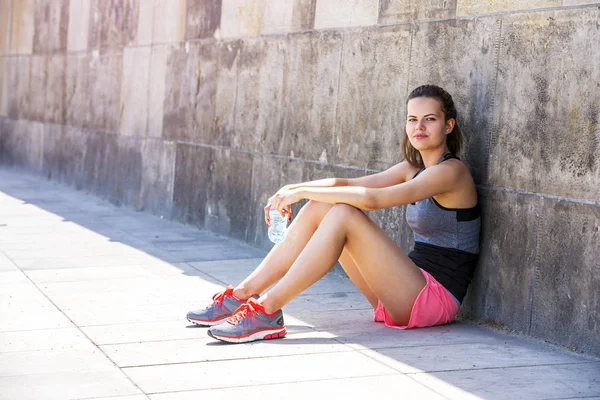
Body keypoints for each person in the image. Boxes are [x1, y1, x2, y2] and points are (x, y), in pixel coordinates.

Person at [187, 84, 481, 343]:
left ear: (448, 125)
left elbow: (373, 199)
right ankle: (241, 295)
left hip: (434, 297)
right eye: (412, 119)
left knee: (344, 214)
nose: (419, 127)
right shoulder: (412, 169)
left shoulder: (451, 172)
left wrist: (300, 193)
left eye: (430, 119)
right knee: (323, 205)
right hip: (400, 291)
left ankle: (266, 310)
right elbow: (346, 184)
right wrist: (294, 188)